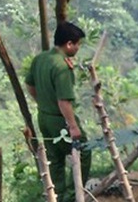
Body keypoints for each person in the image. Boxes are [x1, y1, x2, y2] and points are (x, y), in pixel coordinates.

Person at [25, 22, 90, 202]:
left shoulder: (40, 59)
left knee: (55, 159)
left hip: (43, 117)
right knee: (84, 150)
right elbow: (64, 101)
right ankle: (72, 196)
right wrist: (73, 126)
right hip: (60, 120)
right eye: (78, 44)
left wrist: (43, 102)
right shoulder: (62, 67)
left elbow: (30, 85)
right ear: (69, 44)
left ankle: (57, 196)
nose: (78, 48)